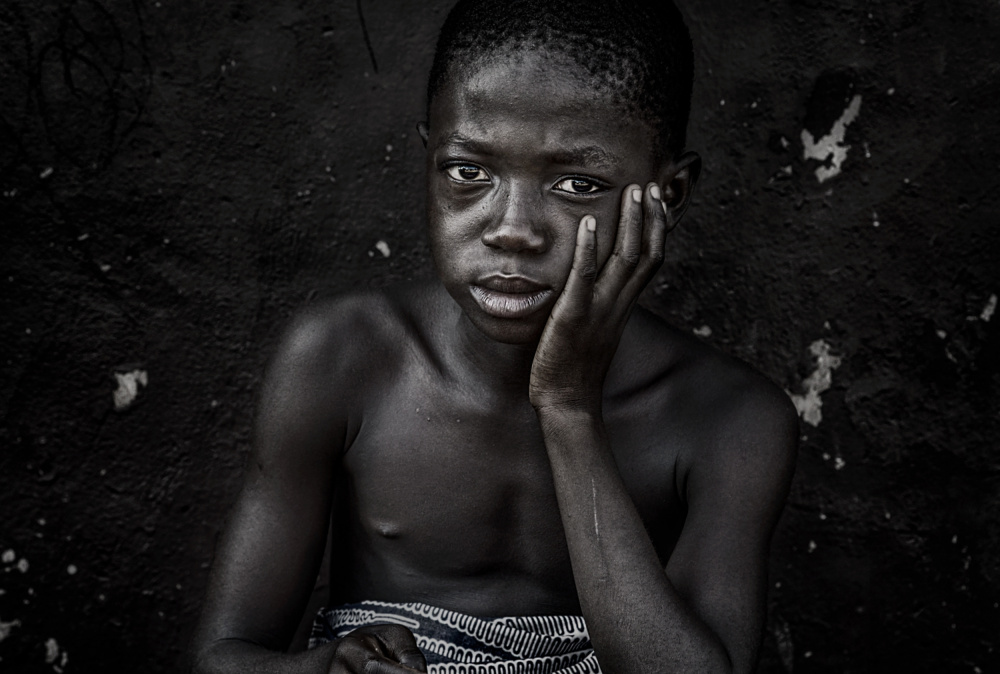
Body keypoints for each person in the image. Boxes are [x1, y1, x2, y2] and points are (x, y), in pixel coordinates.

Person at [191, 1, 798, 672]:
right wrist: (325, 667)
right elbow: (221, 657)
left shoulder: (730, 420)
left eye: (577, 184)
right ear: (429, 161)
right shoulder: (342, 356)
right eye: (469, 173)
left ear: (668, 195)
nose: (512, 229)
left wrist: (569, 409)